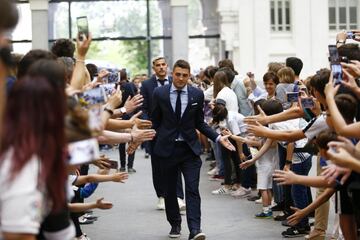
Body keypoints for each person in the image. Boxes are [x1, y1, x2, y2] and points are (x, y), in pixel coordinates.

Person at [151, 59, 235, 240]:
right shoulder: (160, 93)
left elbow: (199, 123)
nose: (181, 78)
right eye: (178, 74)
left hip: (190, 150)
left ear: (189, 76)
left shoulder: (196, 94)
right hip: (167, 150)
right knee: (170, 192)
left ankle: (195, 230)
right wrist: (143, 140)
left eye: (185, 75)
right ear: (172, 74)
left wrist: (218, 138)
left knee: (192, 190)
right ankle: (175, 223)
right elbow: (155, 122)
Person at [140, 56, 185, 210]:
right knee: (158, 165)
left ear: (167, 66)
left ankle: (178, 196)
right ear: (154, 68)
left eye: (163, 64)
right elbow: (144, 108)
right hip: (155, 131)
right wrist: (148, 125)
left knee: (177, 163)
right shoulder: (146, 85)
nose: (161, 67)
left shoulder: (176, 80)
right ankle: (161, 196)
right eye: (157, 65)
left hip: (175, 130)